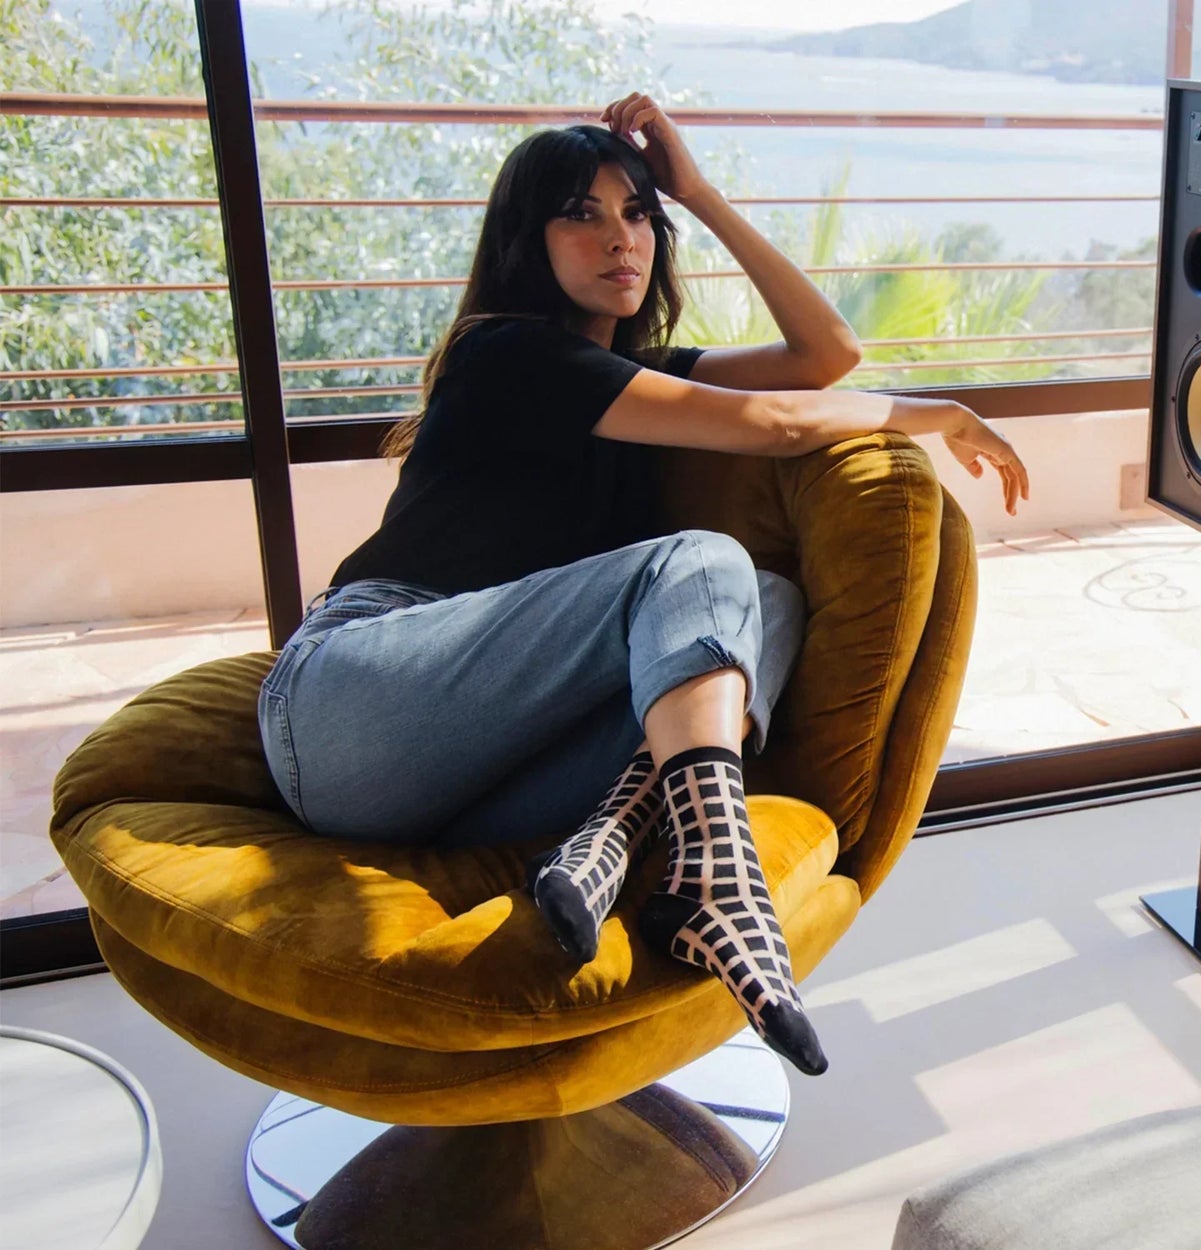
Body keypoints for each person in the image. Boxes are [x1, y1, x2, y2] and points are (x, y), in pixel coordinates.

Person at [256, 92, 1030, 1077]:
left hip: (466, 779)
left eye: (637, 214)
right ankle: (721, 884)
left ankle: (614, 835)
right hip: (345, 704)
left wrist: (696, 190)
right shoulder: (511, 353)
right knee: (698, 561)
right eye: (580, 212)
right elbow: (778, 420)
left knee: (765, 598)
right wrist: (943, 410)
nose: (618, 237)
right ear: (521, 241)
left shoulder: (636, 373)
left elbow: (826, 355)